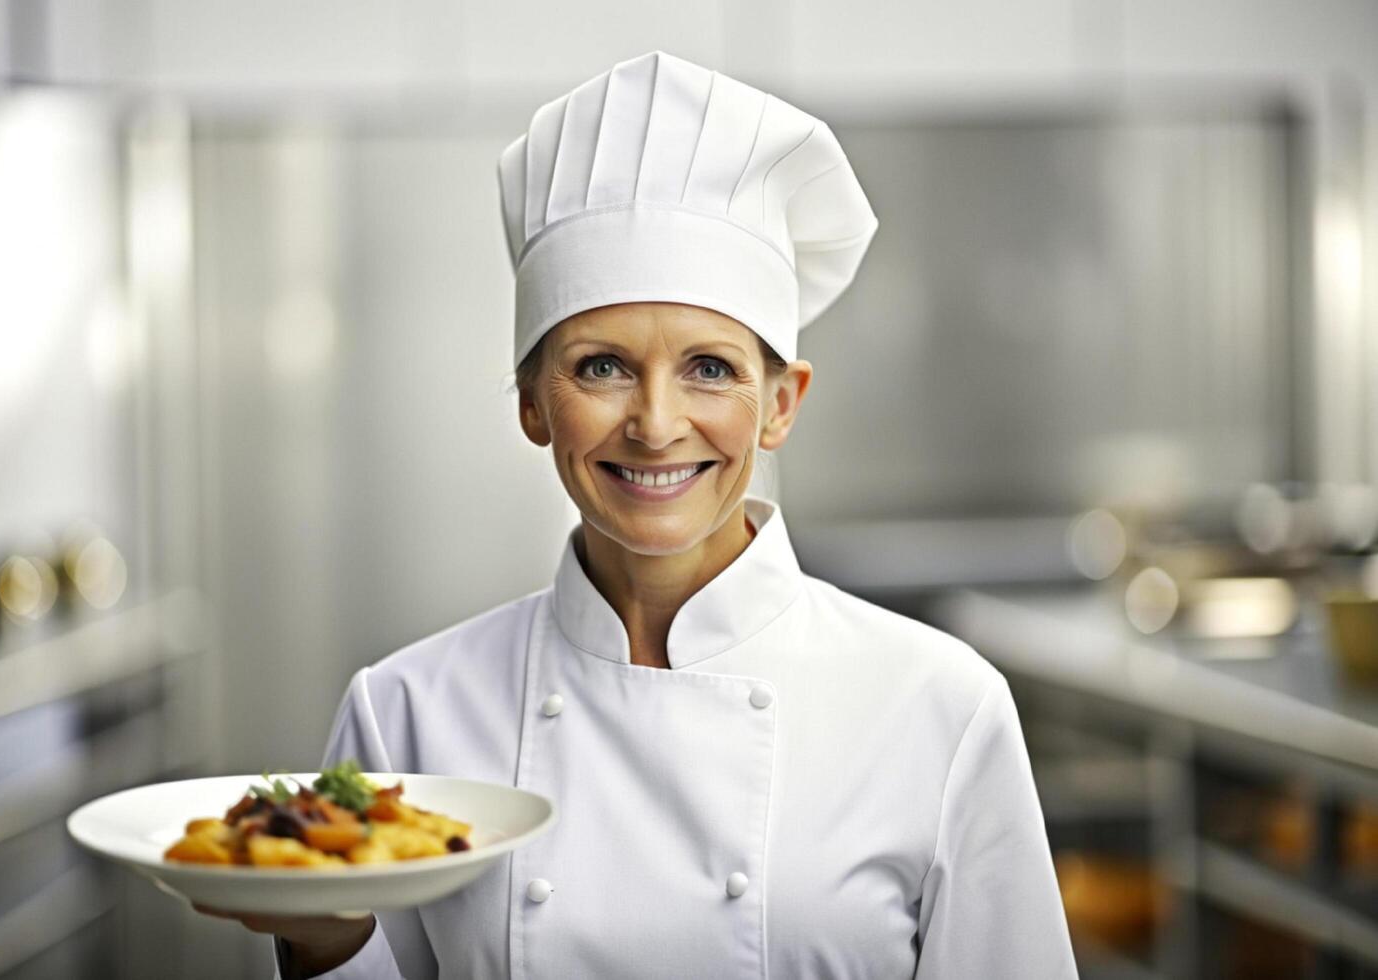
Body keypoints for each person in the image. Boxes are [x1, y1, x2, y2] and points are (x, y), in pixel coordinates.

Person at [195, 49, 1078, 979]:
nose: (656, 425)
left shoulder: (939, 707)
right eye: (601, 366)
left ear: (781, 404)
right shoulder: (406, 712)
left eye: (710, 368)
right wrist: (325, 937)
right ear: (533, 402)